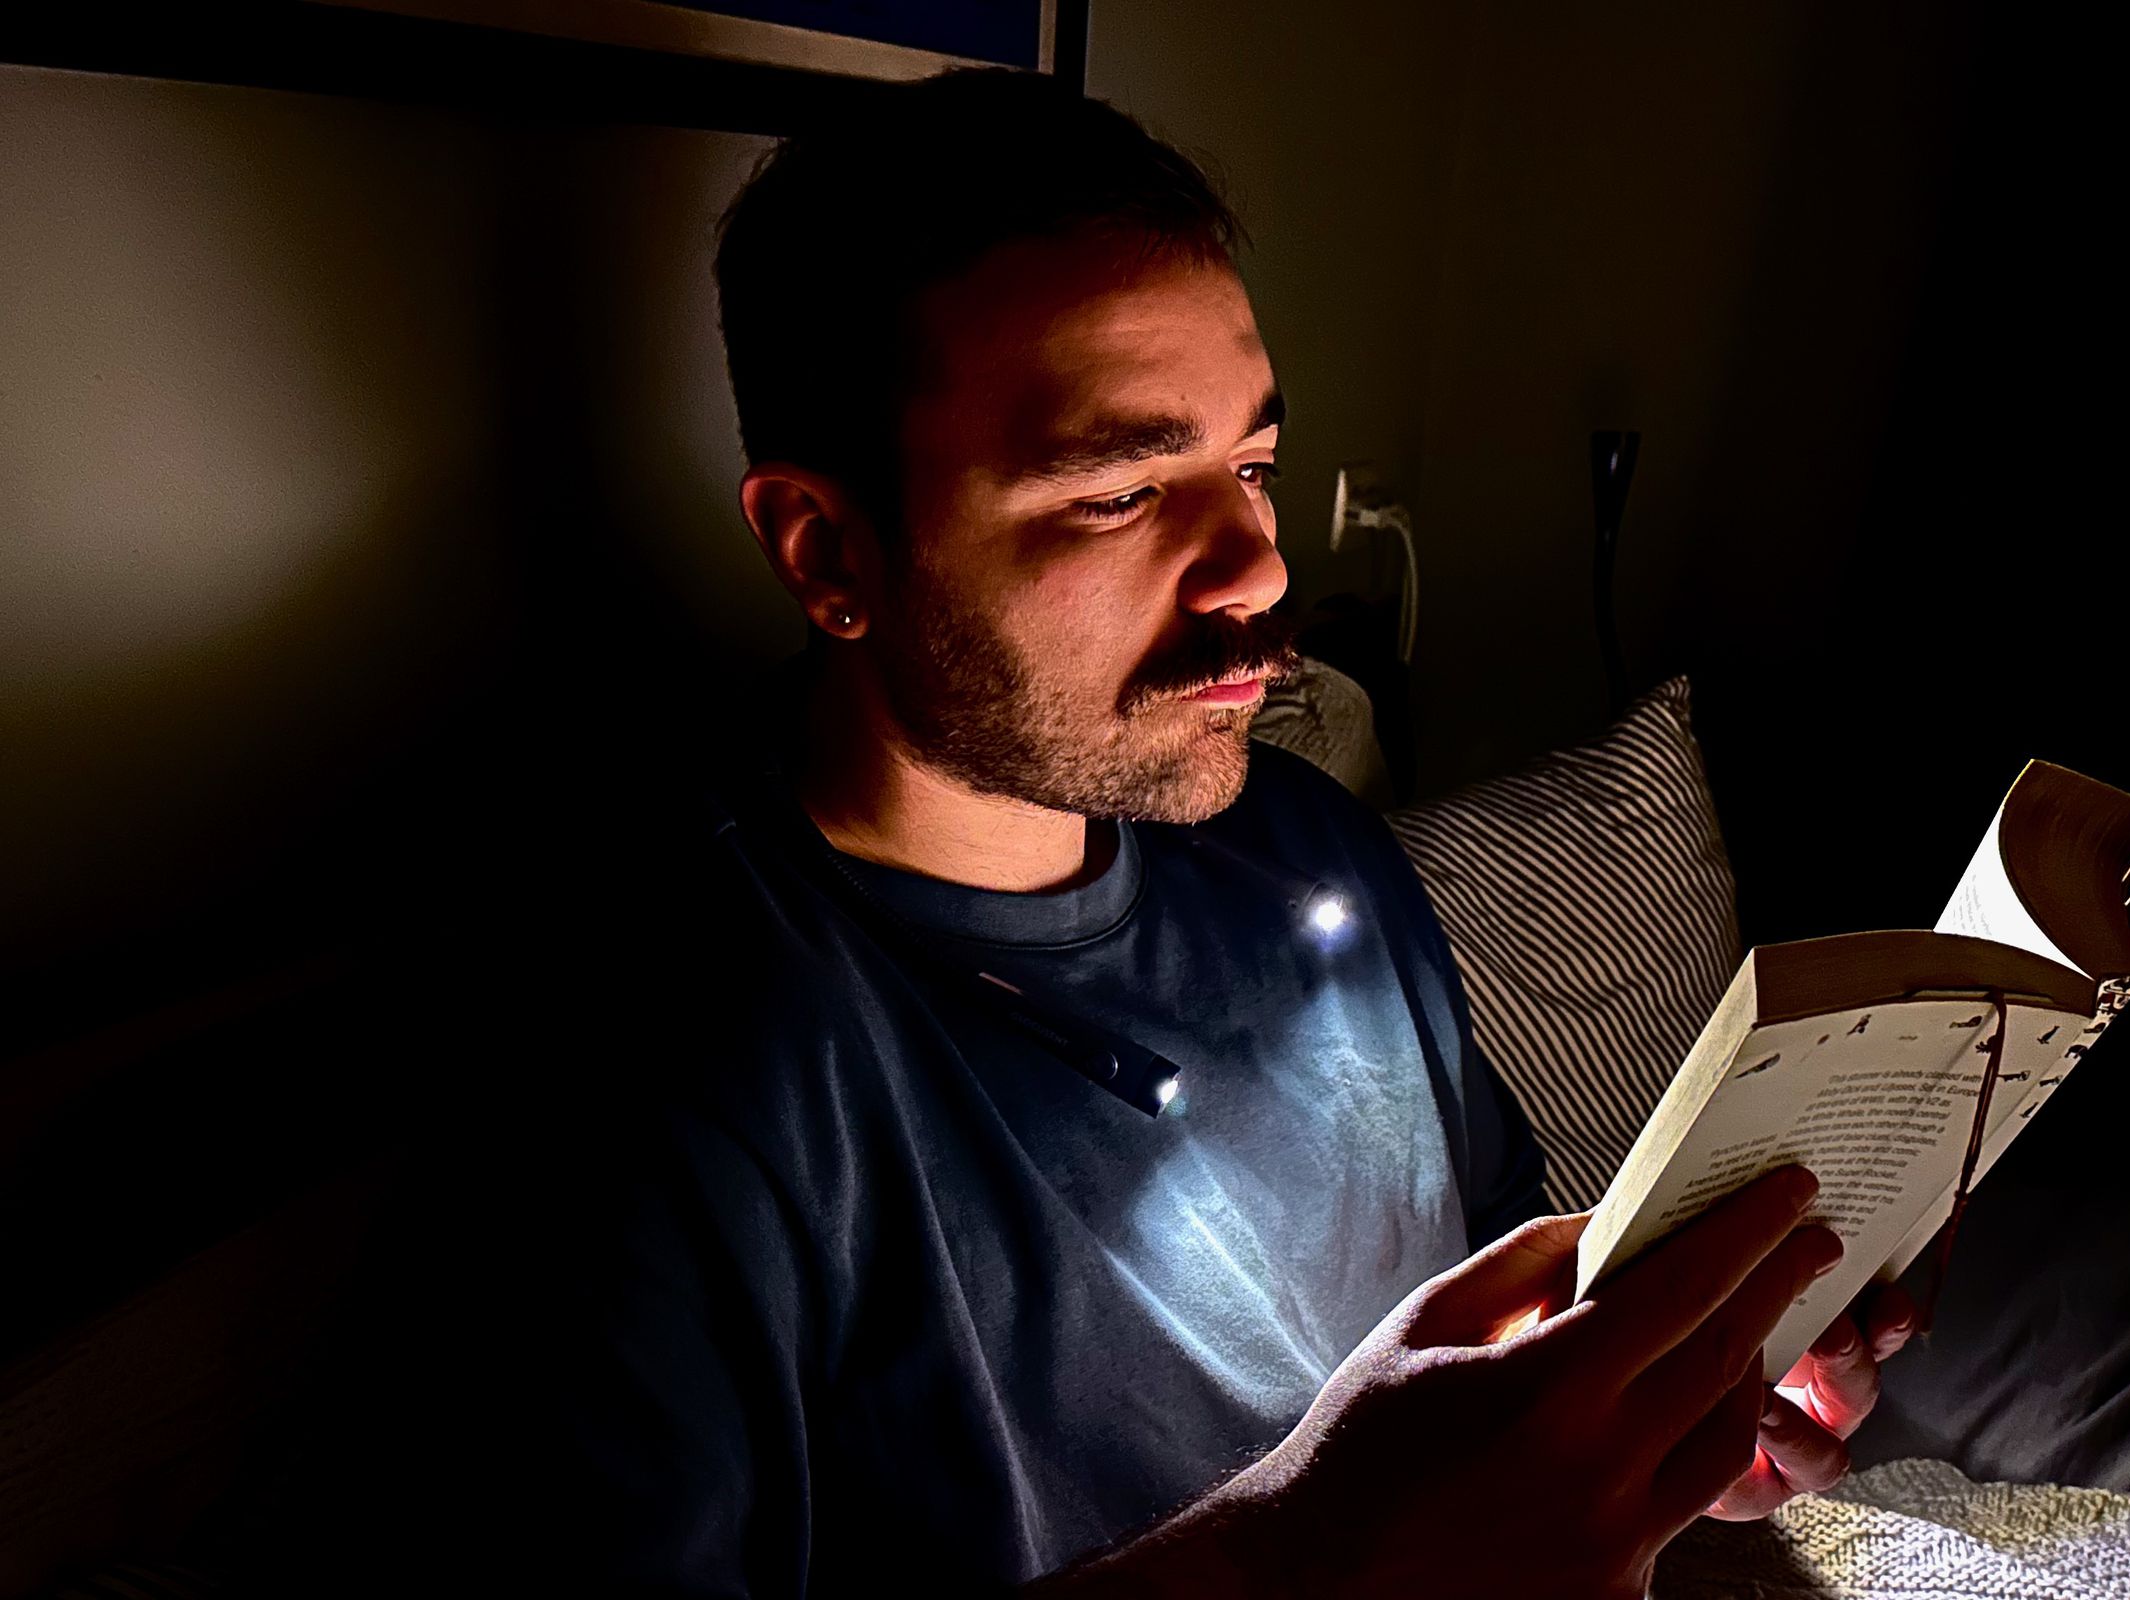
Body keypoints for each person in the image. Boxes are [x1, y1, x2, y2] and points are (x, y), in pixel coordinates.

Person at [256, 66, 1912, 1599]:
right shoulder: (648, 1081)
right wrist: (1320, 1557)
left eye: (1250, 462)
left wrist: (1683, 1435)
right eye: (1121, 491)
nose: (1257, 569)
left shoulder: (1312, 852)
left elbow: (1510, 1327)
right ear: (830, 553)